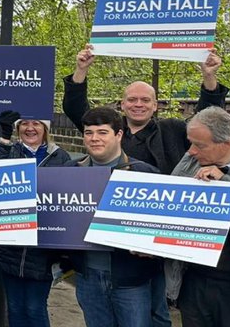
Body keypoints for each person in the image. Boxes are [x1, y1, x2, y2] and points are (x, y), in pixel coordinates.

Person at [165, 108, 230, 327]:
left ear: (226, 143)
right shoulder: (189, 162)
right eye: (190, 142)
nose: (191, 151)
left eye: (199, 145)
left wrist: (228, 186)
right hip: (194, 282)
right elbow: (170, 210)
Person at [62, 44, 227, 173]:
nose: (138, 104)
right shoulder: (108, 128)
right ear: (122, 104)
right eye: (132, 99)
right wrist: (81, 70)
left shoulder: (172, 130)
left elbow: (208, 119)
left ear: (155, 105)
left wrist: (209, 76)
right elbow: (75, 108)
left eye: (145, 100)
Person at [69, 106, 162, 327]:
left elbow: (161, 229)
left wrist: (152, 247)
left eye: (102, 132)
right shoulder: (71, 171)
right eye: (88, 132)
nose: (94, 138)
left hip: (131, 279)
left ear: (118, 135)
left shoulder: (144, 174)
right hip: (87, 276)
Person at [0, 114, 75, 327]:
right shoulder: (10, 152)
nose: (30, 128)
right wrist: (4, 140)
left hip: (42, 249)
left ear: (45, 128)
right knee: (15, 308)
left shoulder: (61, 157)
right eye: (25, 123)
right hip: (10, 248)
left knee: (35, 308)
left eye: (36, 123)